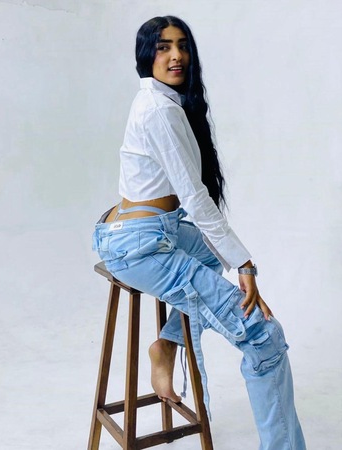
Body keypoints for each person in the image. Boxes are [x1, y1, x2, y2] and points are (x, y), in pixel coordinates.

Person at [92, 15, 306, 449]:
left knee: (209, 253)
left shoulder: (161, 102)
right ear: (146, 55)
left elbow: (188, 204)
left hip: (141, 231)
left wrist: (227, 253)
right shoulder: (159, 110)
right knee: (265, 338)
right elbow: (194, 198)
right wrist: (245, 263)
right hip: (140, 247)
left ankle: (167, 344)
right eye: (163, 47)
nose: (176, 56)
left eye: (182, 45)